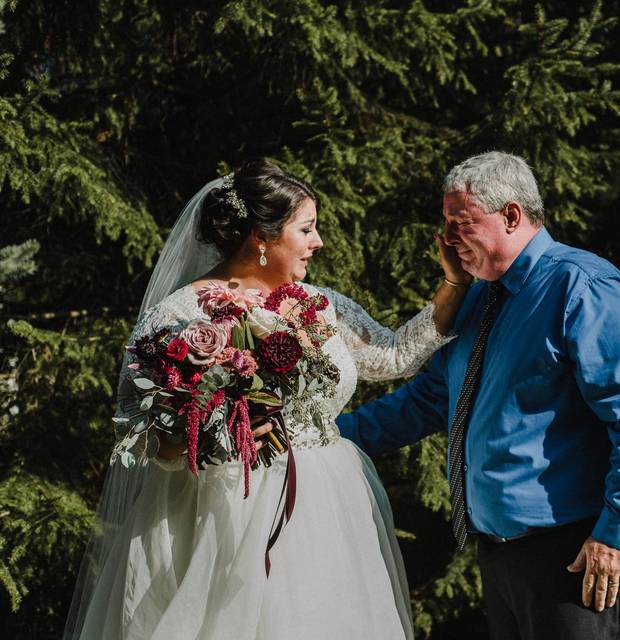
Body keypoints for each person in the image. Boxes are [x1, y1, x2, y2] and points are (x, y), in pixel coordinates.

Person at [63, 159, 472, 639]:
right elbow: (145, 438)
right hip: (224, 512)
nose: (318, 242)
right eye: (307, 229)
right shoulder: (178, 318)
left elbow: (394, 353)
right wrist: (221, 436)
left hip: (326, 504)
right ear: (262, 237)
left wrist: (455, 284)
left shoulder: (317, 304)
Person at [336, 151, 620, 640]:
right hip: (502, 556)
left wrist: (618, 527)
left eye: (461, 224)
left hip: (580, 552)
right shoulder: (476, 296)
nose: (447, 240)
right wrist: (323, 438)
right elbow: (432, 399)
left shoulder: (582, 287)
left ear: (511, 215)